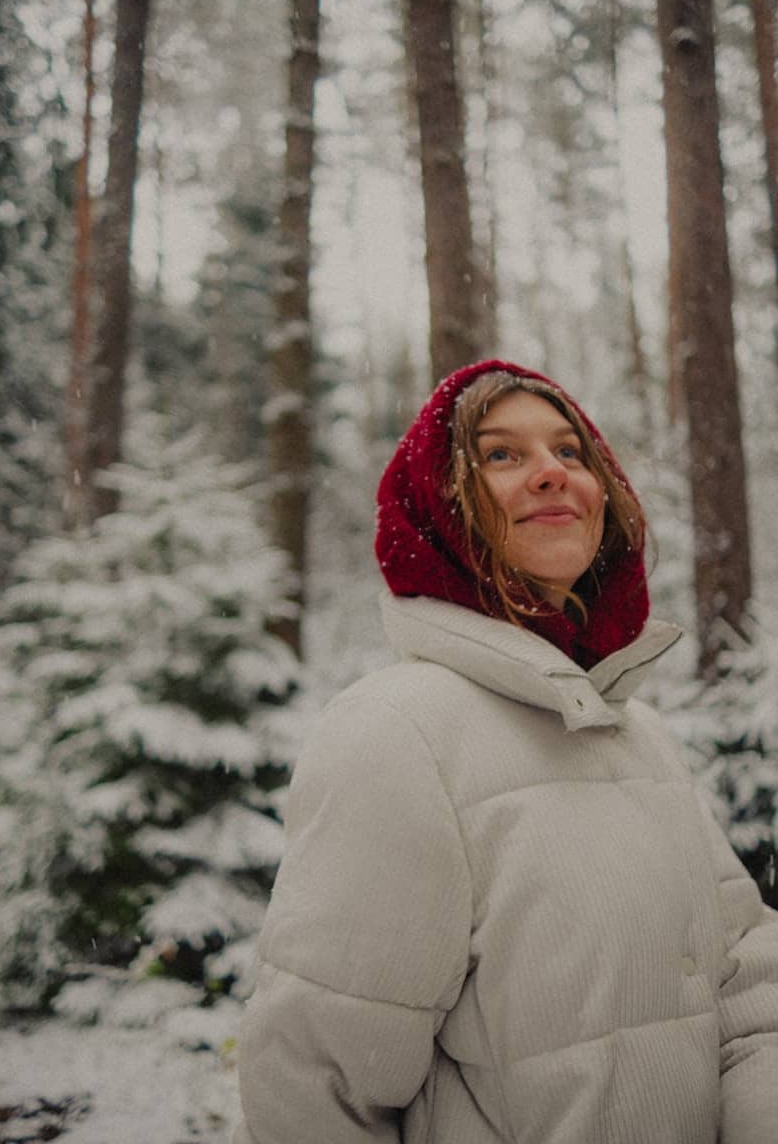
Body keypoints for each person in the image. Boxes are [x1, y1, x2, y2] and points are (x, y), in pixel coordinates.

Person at [235, 359, 778, 1143]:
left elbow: (749, 984)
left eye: (571, 451)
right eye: (501, 454)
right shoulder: (396, 732)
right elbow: (312, 1094)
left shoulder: (638, 732)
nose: (553, 474)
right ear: (440, 510)